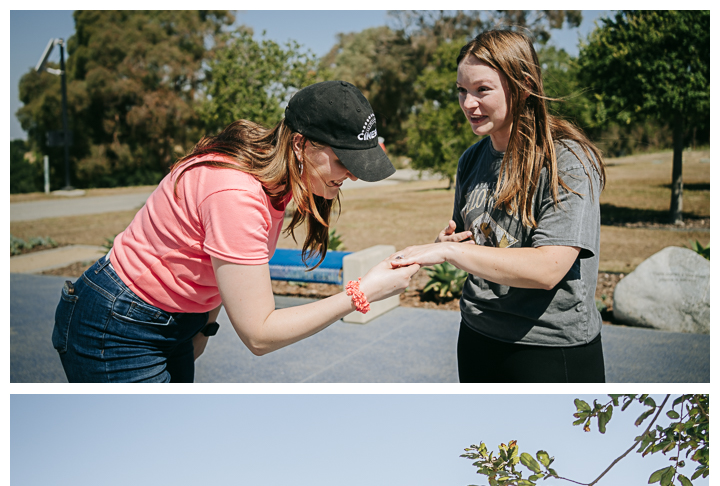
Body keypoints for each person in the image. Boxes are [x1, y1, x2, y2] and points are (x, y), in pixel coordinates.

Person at [53, 81, 418, 382]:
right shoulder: (237, 194)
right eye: (344, 161)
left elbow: (209, 257)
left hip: (173, 322)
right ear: (300, 144)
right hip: (118, 326)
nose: (352, 174)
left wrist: (204, 325)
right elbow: (259, 334)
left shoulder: (275, 172)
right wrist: (362, 291)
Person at [389, 30, 607, 383]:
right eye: (462, 91)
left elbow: (548, 268)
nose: (468, 104)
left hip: (549, 347)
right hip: (477, 334)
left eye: (482, 90)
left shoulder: (567, 161)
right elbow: (477, 246)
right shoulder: (471, 160)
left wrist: (450, 256)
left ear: (521, 87)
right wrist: (450, 245)